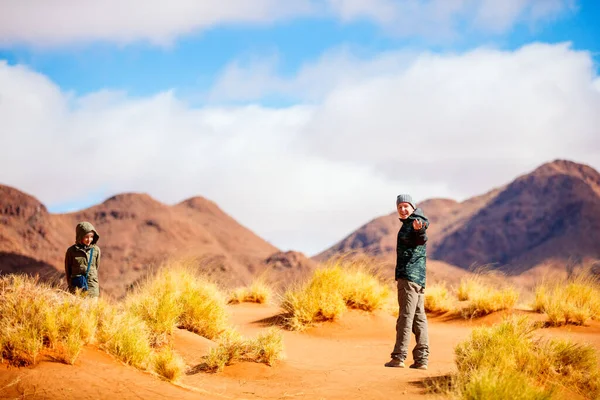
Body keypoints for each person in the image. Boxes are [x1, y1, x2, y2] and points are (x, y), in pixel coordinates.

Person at [385, 194, 430, 370]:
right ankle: (421, 360)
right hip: (419, 279)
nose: (403, 210)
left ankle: (399, 357)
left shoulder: (415, 222)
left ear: (412, 207)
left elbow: (421, 236)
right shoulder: (412, 221)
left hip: (409, 278)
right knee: (419, 319)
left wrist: (419, 230)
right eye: (400, 207)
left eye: (406, 206)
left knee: (405, 317)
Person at [64, 221, 101, 298]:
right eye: (86, 237)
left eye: (91, 237)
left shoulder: (96, 250)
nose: (89, 239)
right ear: (80, 236)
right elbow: (68, 271)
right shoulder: (71, 251)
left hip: (92, 289)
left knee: (92, 310)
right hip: (77, 290)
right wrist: (71, 286)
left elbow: (96, 267)